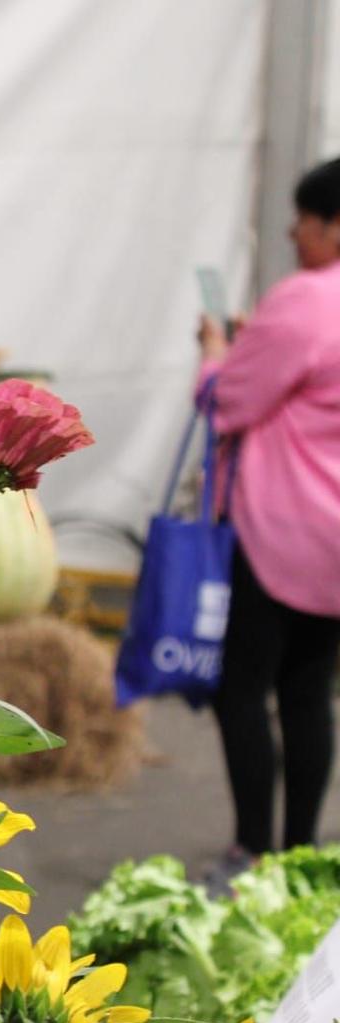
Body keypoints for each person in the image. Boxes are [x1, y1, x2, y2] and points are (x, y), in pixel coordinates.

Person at [197, 156, 340, 877]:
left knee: (243, 687)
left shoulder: (306, 300)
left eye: (306, 219)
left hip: (283, 532)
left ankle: (252, 847)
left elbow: (231, 400)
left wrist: (218, 352)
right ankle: (304, 850)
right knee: (310, 690)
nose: (294, 231)